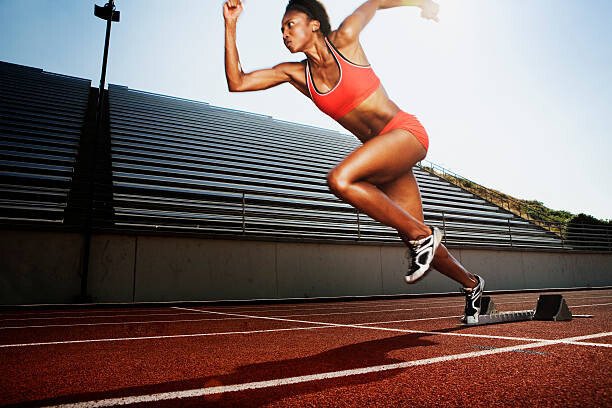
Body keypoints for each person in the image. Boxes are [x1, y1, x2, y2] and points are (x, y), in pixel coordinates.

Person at [223, 0, 484, 323]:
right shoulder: (295, 74)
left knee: (341, 180)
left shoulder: (345, 38)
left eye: (290, 24)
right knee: (415, 238)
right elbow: (238, 82)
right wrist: (231, 24)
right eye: (281, 30)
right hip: (382, 154)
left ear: (314, 24)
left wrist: (422, 3)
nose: (284, 34)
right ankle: (473, 285)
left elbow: (375, 2)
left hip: (405, 133)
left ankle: (425, 236)